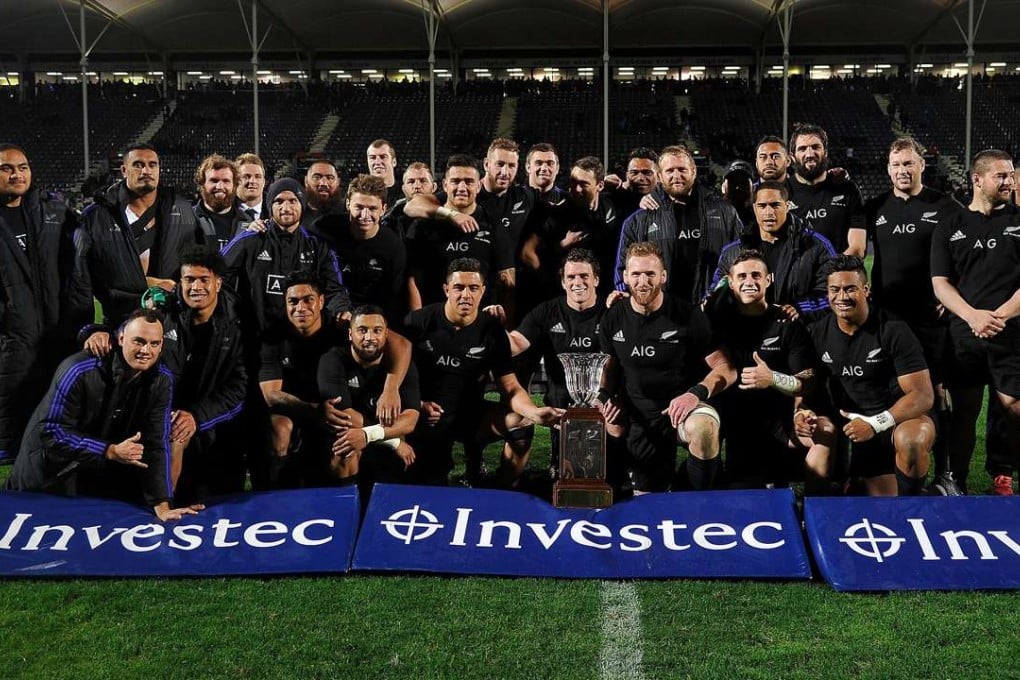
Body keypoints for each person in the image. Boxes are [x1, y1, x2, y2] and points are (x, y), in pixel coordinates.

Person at [8, 309, 199, 521]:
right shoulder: (79, 369)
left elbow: (155, 442)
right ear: (121, 338)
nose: (146, 350)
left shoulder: (162, 380)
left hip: (95, 479)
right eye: (139, 341)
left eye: (154, 344)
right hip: (48, 476)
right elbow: (50, 431)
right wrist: (108, 450)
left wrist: (162, 506)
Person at [402, 257, 564, 487]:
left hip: (469, 416)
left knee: (522, 421)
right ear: (446, 289)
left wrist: (534, 412)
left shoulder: (492, 330)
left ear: (483, 291)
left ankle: (500, 491)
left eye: (473, 288)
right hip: (423, 417)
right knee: (427, 484)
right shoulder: (418, 322)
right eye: (459, 287)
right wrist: (416, 404)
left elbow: (510, 387)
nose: (465, 295)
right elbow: (392, 377)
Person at [859, 136, 962, 494]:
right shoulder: (877, 207)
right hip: (887, 320)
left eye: (908, 163)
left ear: (922, 165)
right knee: (888, 389)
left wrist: (954, 294)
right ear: (888, 169)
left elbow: (963, 254)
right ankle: (890, 464)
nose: (903, 170)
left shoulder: (944, 206)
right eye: (896, 165)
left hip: (930, 321)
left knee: (937, 393)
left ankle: (946, 472)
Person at [599, 242, 736, 494]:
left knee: (704, 429)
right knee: (648, 498)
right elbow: (607, 370)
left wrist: (694, 394)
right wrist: (605, 399)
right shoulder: (613, 317)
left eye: (650, 274)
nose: (643, 281)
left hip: (684, 408)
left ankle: (698, 498)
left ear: (663, 276)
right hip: (640, 418)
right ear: (625, 277)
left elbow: (726, 369)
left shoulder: (688, 315)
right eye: (636, 274)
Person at [931, 148, 1020, 494]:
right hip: (964, 334)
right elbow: (940, 283)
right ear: (977, 180)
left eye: (1010, 175)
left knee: (1014, 406)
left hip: (1009, 332)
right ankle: (957, 480)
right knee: (965, 410)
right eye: (1001, 175)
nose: (1009, 181)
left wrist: (998, 316)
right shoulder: (950, 224)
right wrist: (972, 316)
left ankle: (1007, 475)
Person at [710, 249, 835, 493]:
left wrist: (773, 379)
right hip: (736, 423)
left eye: (756, 275)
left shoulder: (787, 323)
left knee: (825, 430)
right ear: (731, 283)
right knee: (753, 499)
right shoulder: (717, 322)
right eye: (742, 276)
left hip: (782, 418)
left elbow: (807, 380)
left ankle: (813, 510)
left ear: (769, 280)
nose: (750, 282)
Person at [809, 256, 935, 496]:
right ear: (827, 293)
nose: (842, 297)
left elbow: (922, 396)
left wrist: (877, 423)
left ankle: (914, 504)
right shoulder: (818, 333)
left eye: (850, 289)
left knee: (911, 441)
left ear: (865, 290)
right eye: (835, 290)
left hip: (899, 420)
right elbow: (810, 386)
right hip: (858, 430)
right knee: (869, 500)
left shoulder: (893, 329)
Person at [507, 248, 626, 490]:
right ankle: (557, 465)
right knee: (566, 478)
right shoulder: (548, 311)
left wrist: (629, 309)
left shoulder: (612, 309)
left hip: (607, 401)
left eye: (584, 276)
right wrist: (494, 326)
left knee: (610, 478)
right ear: (563, 282)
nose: (577, 282)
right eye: (571, 277)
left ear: (596, 279)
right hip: (561, 404)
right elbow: (516, 343)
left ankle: (620, 470)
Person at [72, 143, 203, 341]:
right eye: (138, 165)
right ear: (124, 170)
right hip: (119, 323)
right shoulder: (96, 216)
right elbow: (81, 279)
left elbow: (198, 265)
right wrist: (88, 329)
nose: (146, 171)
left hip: (173, 321)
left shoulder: (183, 210)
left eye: (152, 165)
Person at [0, 143, 80, 463]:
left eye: (22, 167)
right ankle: (7, 448)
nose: (16, 174)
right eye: (6, 168)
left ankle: (50, 448)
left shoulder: (51, 211)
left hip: (53, 323)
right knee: (11, 388)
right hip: (11, 327)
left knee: (52, 391)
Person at [158, 246, 248, 504]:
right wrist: (95, 332)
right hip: (164, 417)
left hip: (216, 424)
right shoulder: (163, 314)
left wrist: (196, 416)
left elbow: (238, 388)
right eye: (189, 280)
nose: (196, 287)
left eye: (203, 280)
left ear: (218, 283)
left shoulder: (239, 322)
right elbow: (129, 333)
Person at [614, 145, 742, 304]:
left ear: (693, 172)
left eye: (682, 169)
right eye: (670, 171)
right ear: (660, 176)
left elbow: (741, 258)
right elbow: (623, 272)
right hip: (662, 314)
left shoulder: (725, 212)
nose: (676, 175)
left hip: (714, 310)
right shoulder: (638, 221)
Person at [220, 177, 351, 333]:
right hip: (257, 338)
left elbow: (334, 288)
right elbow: (217, 271)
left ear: (302, 206)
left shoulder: (318, 245)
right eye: (279, 201)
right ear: (270, 206)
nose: (286, 207)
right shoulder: (251, 239)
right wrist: (234, 310)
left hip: (303, 339)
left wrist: (340, 309)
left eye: (293, 201)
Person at [319, 306, 420, 500]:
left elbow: (410, 420)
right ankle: (344, 510)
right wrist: (393, 441)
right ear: (350, 334)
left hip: (379, 434)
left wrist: (369, 435)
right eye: (362, 330)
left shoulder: (403, 366)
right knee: (345, 448)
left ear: (386, 334)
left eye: (377, 330)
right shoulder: (333, 361)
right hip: (357, 434)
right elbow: (346, 416)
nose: (370, 337)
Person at [711, 180, 835, 322]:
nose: (769, 212)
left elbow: (832, 294)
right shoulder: (732, 253)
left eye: (775, 205)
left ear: (787, 206)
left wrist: (799, 308)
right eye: (762, 206)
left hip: (798, 334)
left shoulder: (816, 246)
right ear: (754, 208)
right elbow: (714, 294)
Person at [405, 155, 514, 310]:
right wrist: (418, 321)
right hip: (435, 318)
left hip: (479, 320)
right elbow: (412, 281)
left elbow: (507, 280)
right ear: (445, 185)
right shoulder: (424, 225)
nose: (462, 188)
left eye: (469, 182)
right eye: (455, 181)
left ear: (478, 186)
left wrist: (505, 327)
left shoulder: (493, 224)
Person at [521, 156, 620, 299]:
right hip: (566, 294)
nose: (576, 189)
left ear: (600, 185)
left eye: (584, 184)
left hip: (604, 290)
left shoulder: (611, 203)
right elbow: (530, 253)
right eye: (573, 182)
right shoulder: (556, 214)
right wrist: (562, 246)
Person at [333, 174, 407, 318]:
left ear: (383, 209)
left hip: (373, 317)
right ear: (348, 204)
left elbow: (394, 297)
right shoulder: (327, 229)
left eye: (372, 209)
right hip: (335, 312)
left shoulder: (393, 247)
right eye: (359, 207)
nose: (365, 215)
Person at [787, 124, 866, 256]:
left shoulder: (848, 189)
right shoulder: (783, 192)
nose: (810, 154)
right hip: (797, 276)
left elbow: (857, 248)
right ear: (793, 156)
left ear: (826, 152)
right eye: (802, 149)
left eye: (815, 147)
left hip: (838, 273)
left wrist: (830, 273)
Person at [192, 154, 249, 249]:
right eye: (214, 181)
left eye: (226, 181)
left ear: (234, 186)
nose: (219, 187)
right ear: (202, 185)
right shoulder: (187, 220)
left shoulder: (248, 222)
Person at [603, 147, 659, 221]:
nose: (640, 178)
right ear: (627, 176)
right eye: (634, 173)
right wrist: (598, 184)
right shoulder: (612, 197)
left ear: (659, 176)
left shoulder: (667, 199)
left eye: (647, 173)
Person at [366, 139, 403, 208]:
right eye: (372, 158)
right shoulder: (360, 194)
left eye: (383, 157)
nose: (377, 162)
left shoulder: (404, 193)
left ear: (394, 162)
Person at [235, 152, 267, 220]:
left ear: (264, 182)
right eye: (246, 177)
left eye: (258, 177)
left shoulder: (274, 211)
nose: (252, 181)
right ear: (235, 181)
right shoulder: (224, 211)